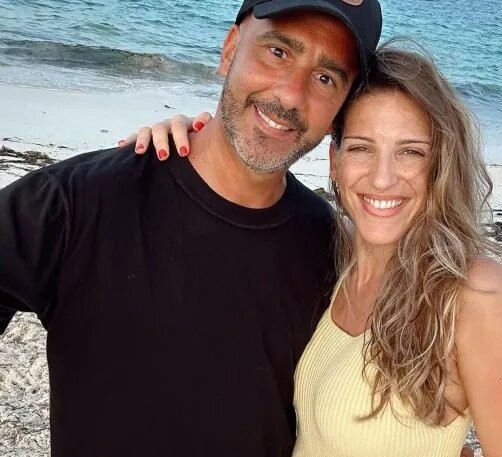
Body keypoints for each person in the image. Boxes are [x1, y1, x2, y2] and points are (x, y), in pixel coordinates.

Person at [0, 1, 382, 456]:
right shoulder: (79, 202)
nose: (290, 96)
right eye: (278, 52)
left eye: (325, 78)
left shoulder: (334, 251)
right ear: (230, 49)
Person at [128, 41, 502, 456]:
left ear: (441, 165)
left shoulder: (472, 293)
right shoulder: (329, 254)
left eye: (410, 153)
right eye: (362, 148)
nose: (382, 179)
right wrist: (195, 144)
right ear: (335, 161)